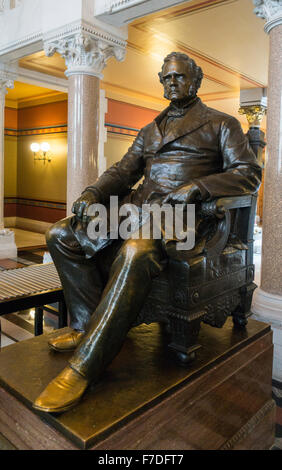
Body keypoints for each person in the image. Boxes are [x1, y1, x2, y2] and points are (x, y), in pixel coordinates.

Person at [33, 52, 261, 413]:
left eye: (180, 77)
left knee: (136, 251)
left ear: (196, 81)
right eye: (167, 78)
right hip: (136, 210)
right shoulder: (149, 130)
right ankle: (85, 324)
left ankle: (85, 366)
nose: (172, 83)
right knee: (61, 234)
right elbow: (124, 172)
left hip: (183, 217)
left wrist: (199, 187)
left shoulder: (222, 124)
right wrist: (93, 192)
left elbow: (248, 173)